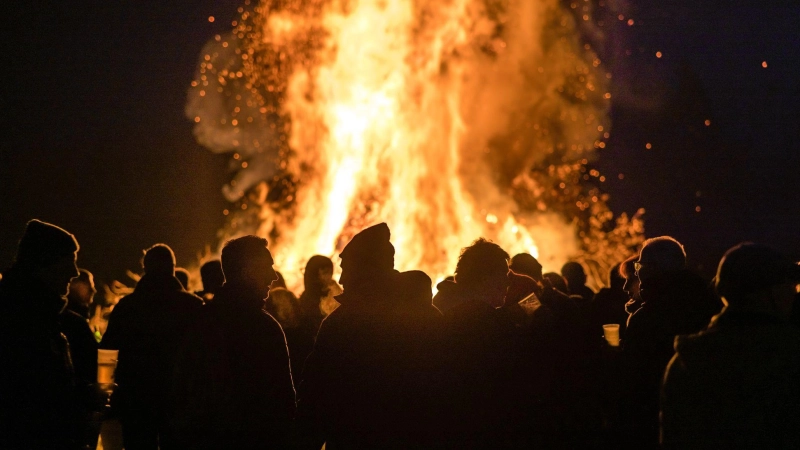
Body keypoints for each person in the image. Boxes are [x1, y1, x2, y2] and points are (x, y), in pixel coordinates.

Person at [297, 223, 442, 448]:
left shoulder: (342, 325)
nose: (342, 279)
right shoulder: (427, 315)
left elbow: (318, 395)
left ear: (367, 271)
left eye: (347, 269)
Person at [661, 243, 800, 448]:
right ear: (767, 292)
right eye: (790, 286)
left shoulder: (686, 359)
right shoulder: (789, 353)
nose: (793, 293)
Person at [171, 236, 295, 449]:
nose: (273, 276)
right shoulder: (263, 328)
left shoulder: (197, 322)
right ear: (248, 272)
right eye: (267, 267)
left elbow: (179, 393)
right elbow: (282, 403)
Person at [619, 236, 721, 448]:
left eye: (640, 265)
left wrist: (613, 354)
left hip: (656, 414)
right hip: (707, 416)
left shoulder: (646, 317)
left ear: (653, 269)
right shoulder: (709, 303)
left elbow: (632, 379)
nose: (636, 271)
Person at [101, 244, 203, 449]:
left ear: (145, 268)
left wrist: (105, 391)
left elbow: (107, 352)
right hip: (180, 401)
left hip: (135, 401)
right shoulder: (192, 306)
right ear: (172, 268)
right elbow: (205, 354)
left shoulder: (127, 307)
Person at [0, 219, 81, 449]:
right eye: (70, 261)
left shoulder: (38, 311)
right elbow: (33, 394)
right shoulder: (22, 315)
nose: (74, 272)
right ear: (47, 262)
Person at [61, 270, 101, 449]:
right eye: (90, 285)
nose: (94, 291)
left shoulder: (73, 318)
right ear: (75, 286)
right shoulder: (74, 321)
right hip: (77, 403)